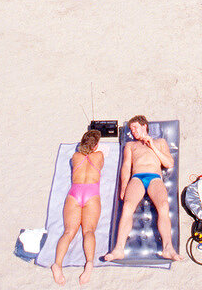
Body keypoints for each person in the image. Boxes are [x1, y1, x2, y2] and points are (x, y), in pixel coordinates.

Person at [101, 116, 183, 263]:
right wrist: (123, 186)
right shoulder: (131, 145)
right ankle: (118, 249)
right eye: (131, 129)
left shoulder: (160, 142)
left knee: (163, 206)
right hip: (137, 178)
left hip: (155, 178)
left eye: (135, 127)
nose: (133, 131)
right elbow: (126, 166)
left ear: (145, 126)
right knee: (127, 207)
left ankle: (168, 248)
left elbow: (169, 163)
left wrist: (152, 146)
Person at [51, 130, 105, 285]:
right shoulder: (99, 155)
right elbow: (100, 162)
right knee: (88, 231)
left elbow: (82, 153)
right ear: (96, 145)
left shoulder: (75, 157)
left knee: (68, 232)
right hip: (91, 193)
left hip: (74, 193)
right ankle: (88, 263)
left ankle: (57, 264)